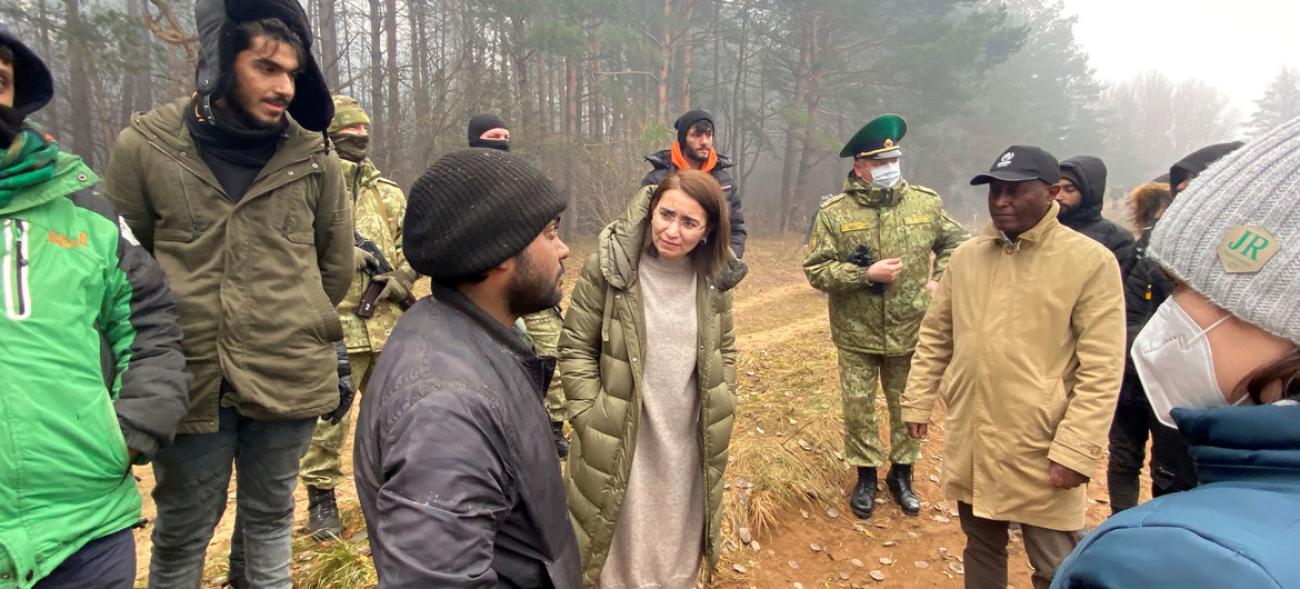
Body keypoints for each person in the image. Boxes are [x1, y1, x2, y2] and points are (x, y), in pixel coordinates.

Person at [102, 1, 351, 586]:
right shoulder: (146, 147)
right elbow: (120, 273)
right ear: (220, 62)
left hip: (286, 370)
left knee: (268, 523)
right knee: (185, 528)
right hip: (188, 378)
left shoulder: (314, 156)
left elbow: (333, 268)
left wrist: (287, 316)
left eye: (292, 72)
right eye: (266, 67)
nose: (284, 87)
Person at [1052, 117, 1300, 588]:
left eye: (1190, 290)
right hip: (1128, 389)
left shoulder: (1164, 561)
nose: (1170, 323)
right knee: (1125, 459)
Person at [0, 26, 189, 589]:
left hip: (86, 530)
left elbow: (151, 323)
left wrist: (127, 431)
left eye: (1, 80)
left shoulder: (88, 215)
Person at [353, 148, 580, 588]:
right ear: (499, 254)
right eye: (550, 233)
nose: (564, 249)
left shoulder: (461, 331)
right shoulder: (447, 411)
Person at [901, 145, 1125, 589]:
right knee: (980, 545)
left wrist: (1076, 451)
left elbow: (1102, 368)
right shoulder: (966, 258)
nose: (1001, 201)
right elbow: (936, 336)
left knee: (1054, 562)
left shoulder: (1089, 262)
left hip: (1040, 440)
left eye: (1015, 191)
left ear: (1052, 193)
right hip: (975, 433)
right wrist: (917, 401)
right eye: (994, 191)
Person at [559, 170, 745, 588]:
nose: (672, 231)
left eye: (689, 223)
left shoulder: (715, 280)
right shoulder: (611, 268)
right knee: (615, 550)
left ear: (707, 230)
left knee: (676, 547)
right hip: (619, 439)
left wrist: (724, 399)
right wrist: (591, 415)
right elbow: (574, 347)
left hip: (686, 444)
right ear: (650, 210)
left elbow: (725, 348)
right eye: (666, 214)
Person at [803, 114, 968, 519]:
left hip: (909, 328)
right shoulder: (835, 213)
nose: (888, 167)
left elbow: (957, 242)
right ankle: (865, 475)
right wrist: (864, 274)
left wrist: (939, 281)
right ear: (859, 166)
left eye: (893, 159)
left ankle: (902, 474)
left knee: (907, 405)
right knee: (859, 406)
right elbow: (816, 269)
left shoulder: (925, 204)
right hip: (855, 331)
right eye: (879, 162)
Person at [297, 95, 414, 540]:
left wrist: (400, 279)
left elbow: (410, 247)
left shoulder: (389, 193)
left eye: (364, 132)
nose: (359, 139)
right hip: (333, 326)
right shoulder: (311, 186)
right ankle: (321, 498)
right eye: (350, 132)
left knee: (396, 415)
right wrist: (344, 258)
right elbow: (293, 250)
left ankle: (394, 492)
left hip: (387, 324)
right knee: (329, 420)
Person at [1111, 141, 1245, 510]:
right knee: (1164, 476)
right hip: (1148, 379)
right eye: (1179, 192)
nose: (1182, 202)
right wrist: (1135, 364)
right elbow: (1131, 308)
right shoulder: (1156, 246)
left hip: (1230, 406)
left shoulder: (1257, 258)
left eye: (1194, 190)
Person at [465, 111, 571, 457]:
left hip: (527, 287)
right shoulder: (462, 188)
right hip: (486, 292)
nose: (501, 144)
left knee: (553, 353)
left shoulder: (524, 184)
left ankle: (552, 428)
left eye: (505, 137)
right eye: (493, 138)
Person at [642, 109, 747, 257]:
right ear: (683, 138)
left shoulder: (725, 183)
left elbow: (736, 230)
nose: (704, 141)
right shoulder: (657, 180)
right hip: (665, 267)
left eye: (709, 135)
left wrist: (725, 263)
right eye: (696, 135)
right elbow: (640, 227)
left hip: (709, 271)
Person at [1056, 155, 1133, 258]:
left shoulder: (1117, 240)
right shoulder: (1039, 230)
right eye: (1055, 189)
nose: (1058, 196)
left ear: (1088, 193)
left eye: (1069, 189)